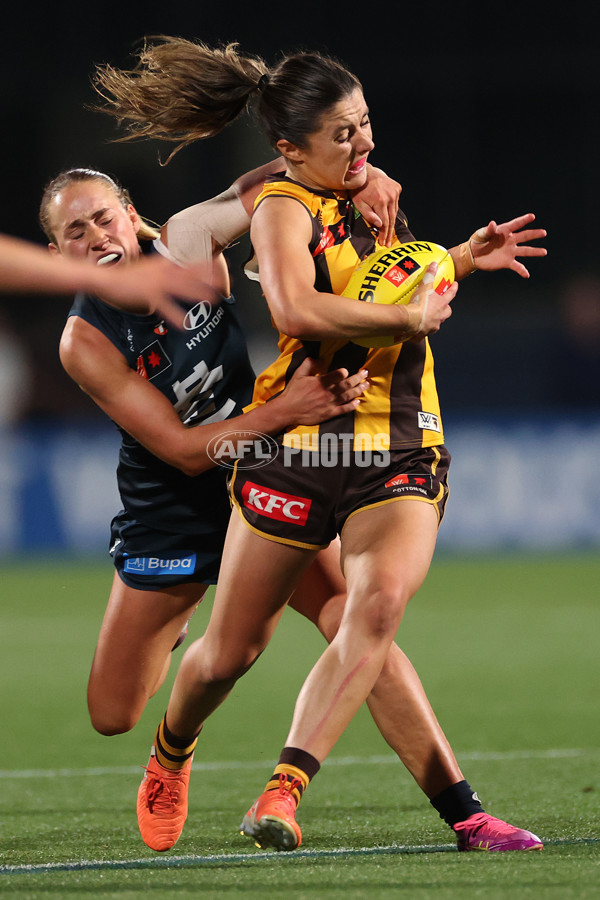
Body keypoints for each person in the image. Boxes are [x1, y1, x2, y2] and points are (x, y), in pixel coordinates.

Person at [93, 38, 547, 856]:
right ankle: (170, 751)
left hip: (396, 447)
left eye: (365, 124)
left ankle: (336, 795)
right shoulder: (280, 208)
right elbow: (300, 313)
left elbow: (391, 277)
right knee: (228, 653)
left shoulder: (367, 188)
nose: (364, 144)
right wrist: (410, 318)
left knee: (370, 612)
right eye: (343, 134)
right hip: (296, 448)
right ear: (288, 151)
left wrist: (458, 261)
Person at [0, 231, 212, 321]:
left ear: (132, 217)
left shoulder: (186, 232)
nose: (99, 238)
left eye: (106, 219)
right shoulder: (82, 340)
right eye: (77, 234)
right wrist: (110, 279)